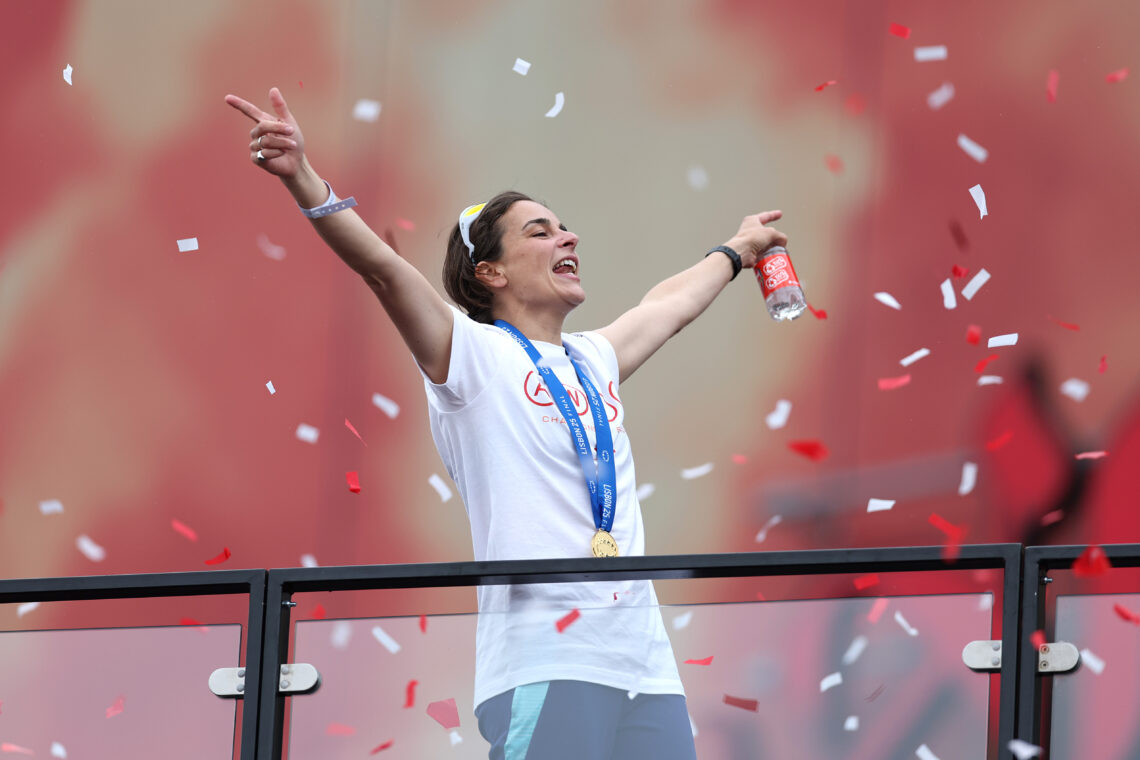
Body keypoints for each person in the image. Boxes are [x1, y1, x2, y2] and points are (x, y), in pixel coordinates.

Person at [226, 87, 787, 760]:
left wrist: (737, 249)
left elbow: (666, 304)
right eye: (540, 231)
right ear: (489, 271)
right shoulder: (471, 356)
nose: (568, 237)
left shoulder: (592, 359)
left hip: (647, 672)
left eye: (564, 226)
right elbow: (381, 269)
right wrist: (303, 178)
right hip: (542, 663)